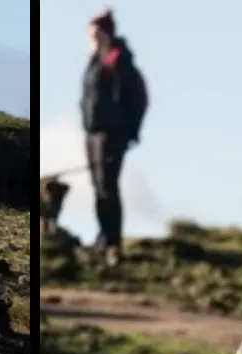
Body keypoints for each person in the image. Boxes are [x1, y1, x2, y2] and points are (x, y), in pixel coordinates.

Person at [80, 9, 147, 265]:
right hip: (93, 133)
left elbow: (138, 97)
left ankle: (113, 242)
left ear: (106, 32)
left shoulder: (117, 61)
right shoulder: (95, 60)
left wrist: (131, 131)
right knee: (98, 186)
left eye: (96, 32)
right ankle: (104, 235)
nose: (92, 37)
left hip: (111, 134)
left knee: (108, 186)